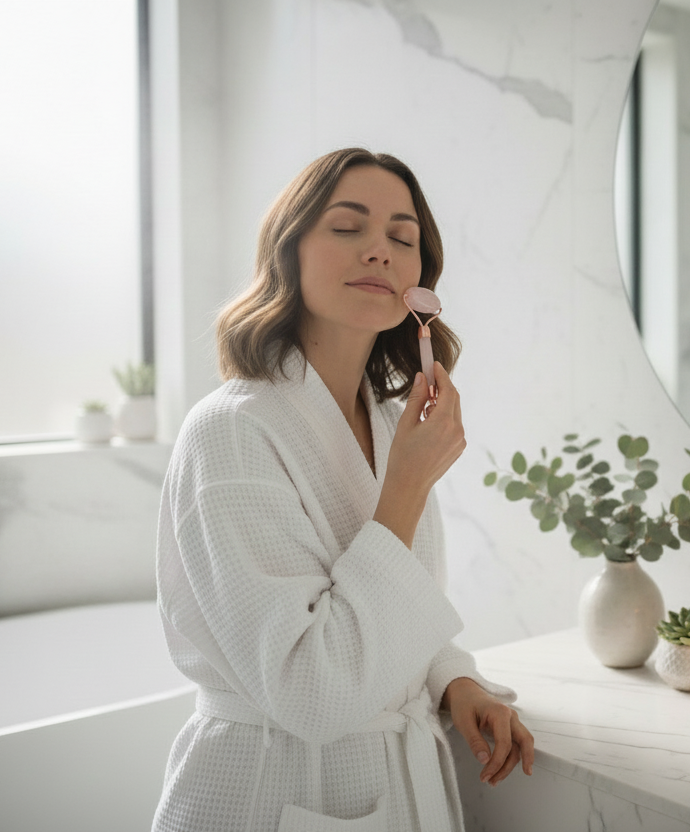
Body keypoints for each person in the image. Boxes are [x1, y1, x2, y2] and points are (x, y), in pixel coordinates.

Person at [152, 148, 534, 832]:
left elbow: (401, 601)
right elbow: (313, 691)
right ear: (289, 249)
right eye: (347, 227)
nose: (379, 252)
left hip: (400, 785)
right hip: (270, 790)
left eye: (402, 237)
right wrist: (409, 485)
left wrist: (454, 679)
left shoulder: (391, 424)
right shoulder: (231, 432)